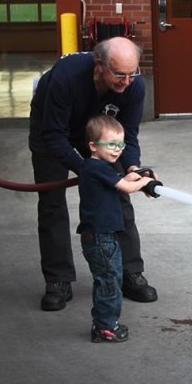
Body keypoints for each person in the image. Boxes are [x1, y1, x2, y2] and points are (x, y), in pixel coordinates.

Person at [29, 36, 158, 311]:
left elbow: (129, 137)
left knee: (119, 193)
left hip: (100, 130)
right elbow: (54, 136)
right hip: (53, 128)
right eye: (120, 75)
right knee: (51, 200)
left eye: (132, 73)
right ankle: (58, 280)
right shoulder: (66, 77)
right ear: (100, 66)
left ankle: (130, 272)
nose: (127, 81)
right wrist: (91, 170)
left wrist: (132, 169)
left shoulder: (133, 87)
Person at [78, 115, 158, 342]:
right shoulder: (97, 168)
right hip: (101, 239)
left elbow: (119, 181)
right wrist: (143, 182)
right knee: (109, 282)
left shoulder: (97, 167)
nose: (117, 150)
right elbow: (126, 188)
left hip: (102, 236)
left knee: (108, 279)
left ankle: (104, 324)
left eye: (121, 144)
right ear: (93, 146)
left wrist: (133, 175)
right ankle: (106, 328)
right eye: (111, 144)